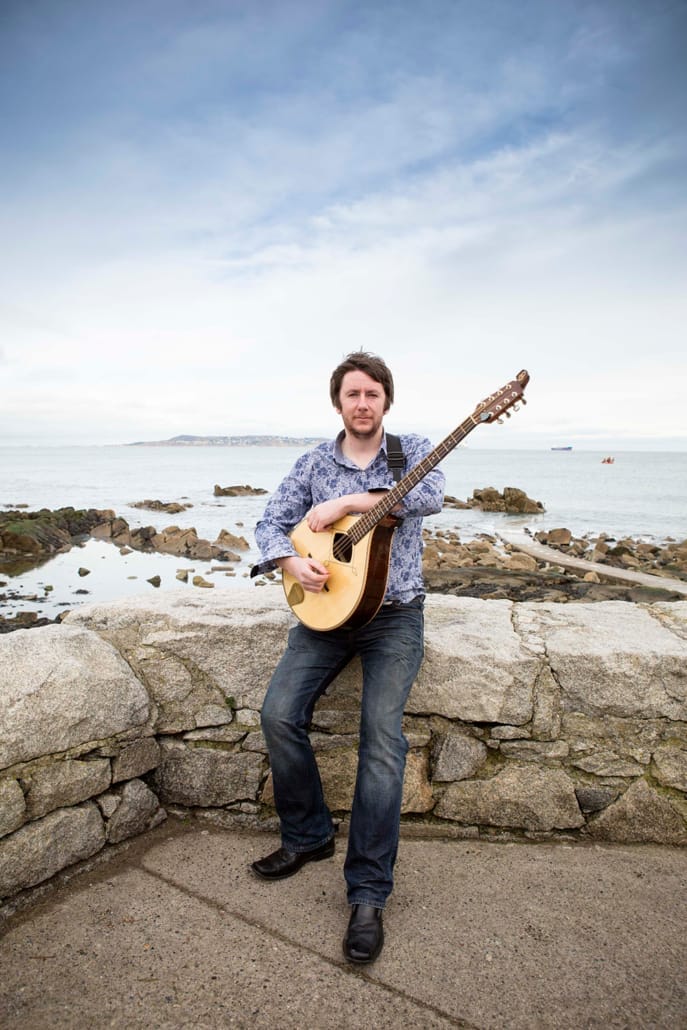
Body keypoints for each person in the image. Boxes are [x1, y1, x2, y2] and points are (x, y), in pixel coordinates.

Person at [250, 351, 445, 964]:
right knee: (278, 714)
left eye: (373, 394)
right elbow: (270, 523)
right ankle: (308, 836)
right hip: (326, 617)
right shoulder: (312, 462)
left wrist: (346, 505)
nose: (363, 404)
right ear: (338, 402)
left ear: (387, 401)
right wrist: (289, 562)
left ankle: (367, 893)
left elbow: (431, 496)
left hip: (394, 618)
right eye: (352, 394)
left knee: (381, 738)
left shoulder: (411, 450)